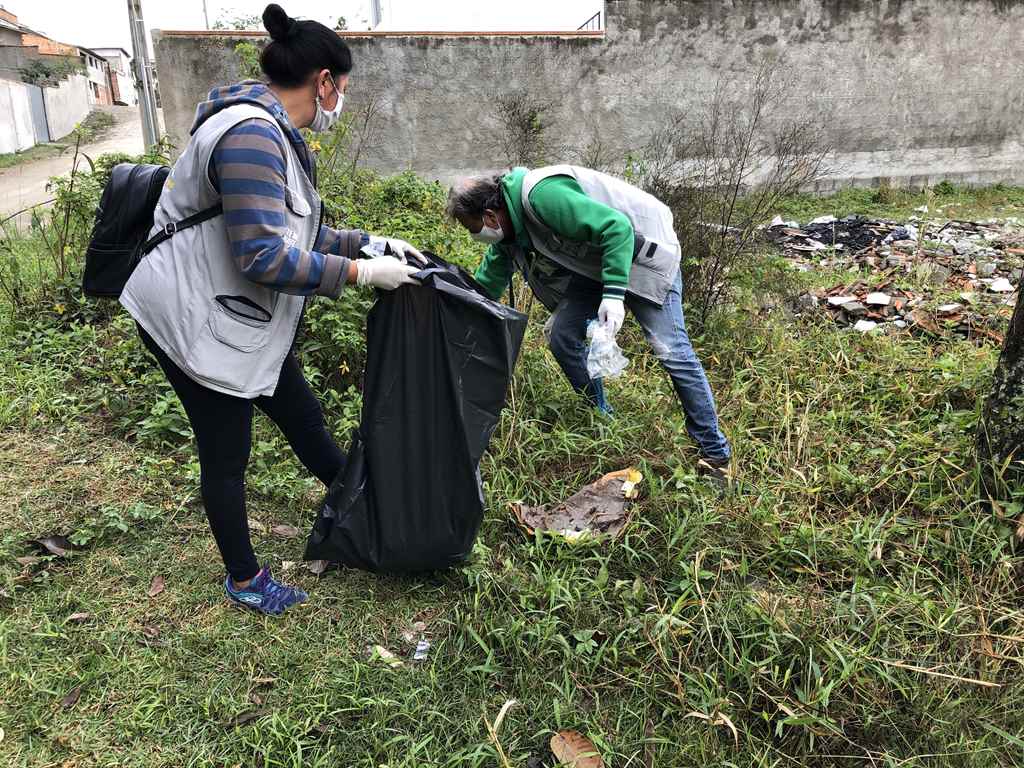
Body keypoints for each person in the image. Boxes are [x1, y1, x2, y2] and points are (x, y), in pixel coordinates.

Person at [120, 4, 423, 616]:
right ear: (324, 81)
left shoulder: (270, 132)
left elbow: (296, 234)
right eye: (344, 87)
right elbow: (262, 255)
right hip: (192, 317)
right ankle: (244, 578)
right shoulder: (252, 134)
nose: (342, 100)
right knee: (226, 451)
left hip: (235, 315)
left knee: (303, 417)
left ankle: (364, 509)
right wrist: (362, 273)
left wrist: (370, 243)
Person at [446, 165, 732, 485]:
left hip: (644, 256)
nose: (475, 236)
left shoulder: (542, 196)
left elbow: (616, 228)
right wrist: (451, 321)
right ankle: (601, 416)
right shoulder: (509, 232)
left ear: (489, 216)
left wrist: (612, 296)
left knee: (672, 351)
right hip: (596, 265)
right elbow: (484, 288)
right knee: (560, 334)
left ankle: (715, 455)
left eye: (472, 227)